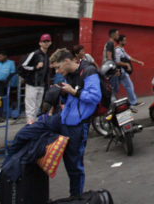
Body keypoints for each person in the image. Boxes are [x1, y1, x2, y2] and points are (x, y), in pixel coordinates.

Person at [49, 48, 101, 197]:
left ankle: (76, 197)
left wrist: (74, 92)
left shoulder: (88, 71)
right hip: (64, 120)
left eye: (58, 67)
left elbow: (94, 97)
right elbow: (70, 99)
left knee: (74, 165)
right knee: (36, 129)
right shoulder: (68, 75)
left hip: (78, 125)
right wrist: (63, 94)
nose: (57, 72)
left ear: (66, 61)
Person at [21, 34, 52, 123]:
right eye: (44, 41)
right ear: (40, 43)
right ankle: (30, 126)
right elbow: (23, 66)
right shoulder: (34, 54)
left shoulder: (46, 56)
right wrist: (35, 67)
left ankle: (32, 125)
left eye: (47, 41)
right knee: (31, 107)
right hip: (31, 84)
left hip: (41, 85)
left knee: (37, 107)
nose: (46, 43)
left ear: (50, 43)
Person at [113, 34, 144, 111]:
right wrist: (126, 64)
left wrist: (138, 62)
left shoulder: (121, 49)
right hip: (120, 71)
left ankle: (112, 103)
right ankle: (133, 102)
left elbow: (129, 57)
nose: (125, 42)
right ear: (120, 41)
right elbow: (117, 62)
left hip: (121, 72)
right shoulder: (117, 50)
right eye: (124, 40)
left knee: (116, 88)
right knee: (128, 86)